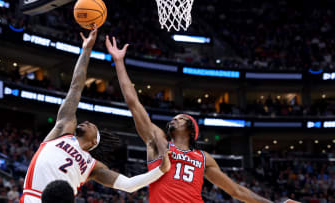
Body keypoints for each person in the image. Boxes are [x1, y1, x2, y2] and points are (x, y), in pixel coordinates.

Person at [106, 36, 300, 203]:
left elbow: (237, 191)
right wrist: (119, 62)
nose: (174, 119)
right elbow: (133, 103)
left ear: (191, 130)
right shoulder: (158, 143)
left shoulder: (204, 158)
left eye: (180, 118)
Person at [21, 27, 171, 203]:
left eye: (93, 126)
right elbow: (76, 87)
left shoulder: (92, 166)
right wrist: (86, 49)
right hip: (33, 197)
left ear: (94, 142)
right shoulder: (63, 129)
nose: (87, 122)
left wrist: (161, 169)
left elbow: (129, 184)